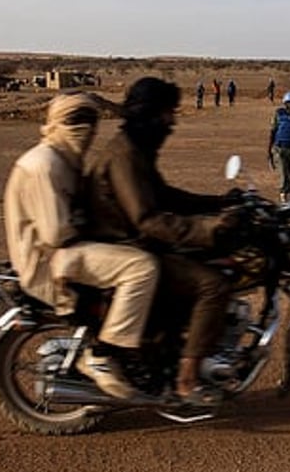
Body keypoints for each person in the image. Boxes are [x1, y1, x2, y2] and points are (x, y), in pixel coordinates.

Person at [85, 77, 242, 403]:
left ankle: (173, 345)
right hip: (127, 245)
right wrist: (209, 231)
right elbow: (148, 218)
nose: (172, 122)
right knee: (213, 284)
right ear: (150, 113)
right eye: (168, 113)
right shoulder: (124, 155)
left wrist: (217, 203)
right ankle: (187, 379)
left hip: (136, 242)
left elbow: (165, 195)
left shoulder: (135, 149)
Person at [3, 93, 159, 399]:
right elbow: (56, 232)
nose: (85, 129)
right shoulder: (44, 165)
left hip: (62, 250)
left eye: (90, 121)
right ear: (55, 123)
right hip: (48, 260)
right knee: (142, 267)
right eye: (75, 121)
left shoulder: (63, 159)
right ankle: (103, 353)